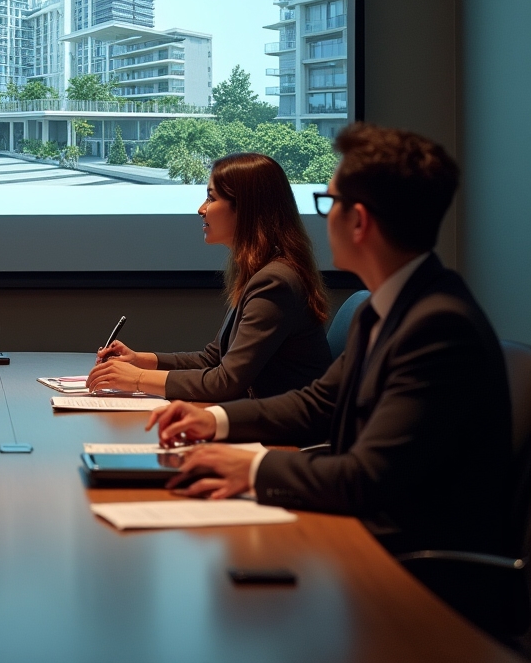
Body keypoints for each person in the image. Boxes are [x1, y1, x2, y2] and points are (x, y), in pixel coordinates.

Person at [147, 123, 511, 563]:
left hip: (410, 572)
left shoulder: (437, 327)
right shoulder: (387, 308)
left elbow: (366, 478)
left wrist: (252, 468)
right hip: (365, 536)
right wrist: (215, 422)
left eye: (330, 202)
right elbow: (317, 403)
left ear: (359, 220)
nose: (324, 216)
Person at [88, 153, 331, 400]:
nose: (201, 209)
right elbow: (213, 359)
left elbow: (226, 381)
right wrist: (139, 361)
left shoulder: (275, 281)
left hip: (286, 435)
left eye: (211, 198)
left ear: (245, 207)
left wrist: (137, 379)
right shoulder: (260, 271)